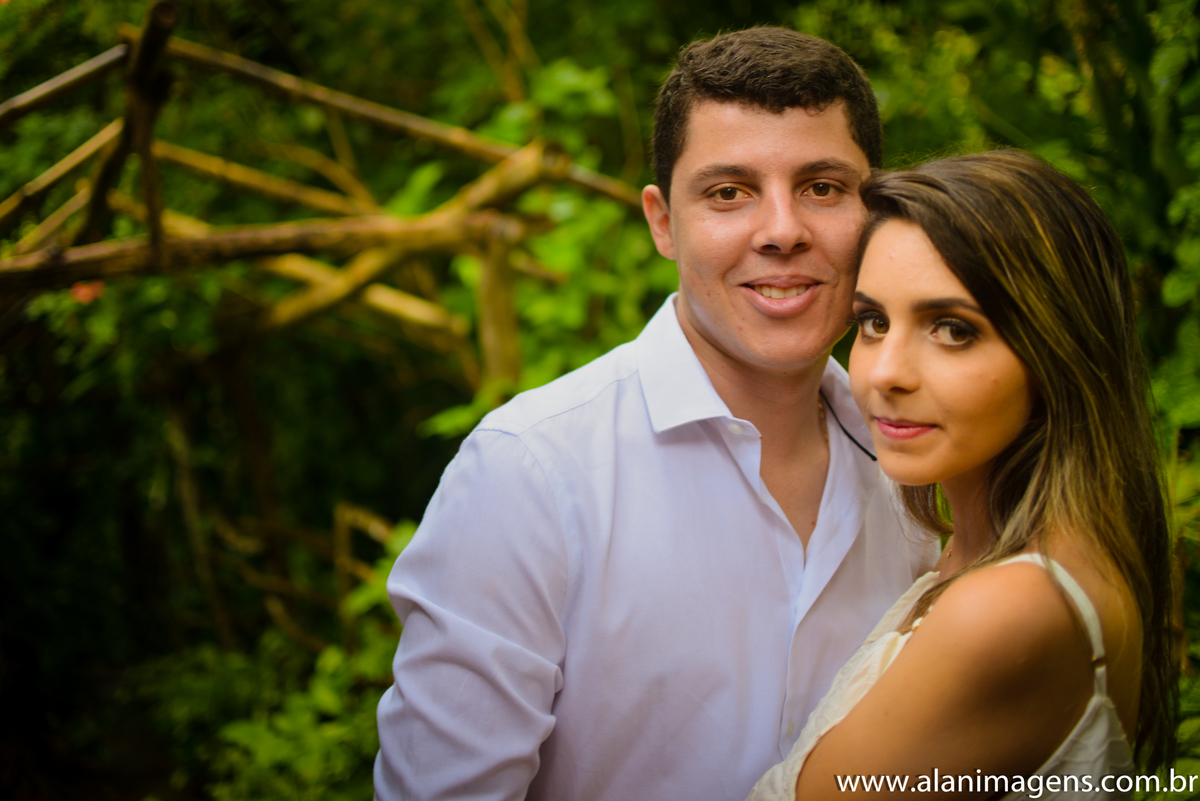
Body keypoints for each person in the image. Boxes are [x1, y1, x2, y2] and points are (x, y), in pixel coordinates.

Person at [373, 26, 935, 801]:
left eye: (823, 187)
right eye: (729, 192)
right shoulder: (528, 474)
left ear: (876, 210)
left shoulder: (920, 468)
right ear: (662, 221)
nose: (781, 230)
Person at [747, 150, 1178, 800]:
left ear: (1057, 347)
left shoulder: (1008, 609)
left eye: (952, 328)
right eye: (873, 322)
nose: (886, 371)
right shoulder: (987, 551)